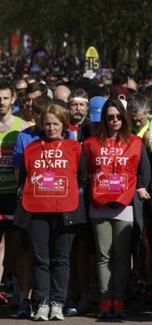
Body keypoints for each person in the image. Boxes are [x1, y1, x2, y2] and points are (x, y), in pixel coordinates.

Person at [14, 104, 88, 321]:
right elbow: (24, 179)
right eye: (47, 124)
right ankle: (42, 303)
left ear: (64, 124)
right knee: (40, 260)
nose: (51, 128)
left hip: (65, 209)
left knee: (61, 259)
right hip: (36, 210)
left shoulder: (75, 147)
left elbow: (82, 177)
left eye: (55, 124)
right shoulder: (32, 148)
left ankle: (58, 302)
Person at [83, 99, 151, 318]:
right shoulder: (90, 143)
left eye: (118, 117)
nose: (114, 121)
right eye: (110, 117)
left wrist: (140, 188)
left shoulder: (135, 142)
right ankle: (105, 300)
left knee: (122, 256)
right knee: (104, 256)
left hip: (125, 204)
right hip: (98, 205)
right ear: (104, 118)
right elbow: (83, 174)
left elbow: (143, 171)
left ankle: (119, 300)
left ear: (125, 118)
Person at [0, 82, 28, 307]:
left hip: (15, 194)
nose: (1, 103)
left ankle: (20, 290)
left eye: (5, 98)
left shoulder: (23, 127)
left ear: (13, 100)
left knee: (17, 246)